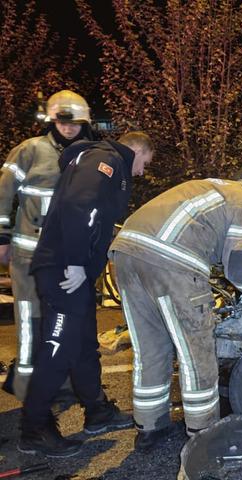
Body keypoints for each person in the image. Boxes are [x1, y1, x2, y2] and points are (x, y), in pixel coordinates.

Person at [108, 170, 242, 452]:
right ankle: (205, 435)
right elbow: (240, 268)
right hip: (170, 263)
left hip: (126, 254)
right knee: (197, 353)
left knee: (150, 349)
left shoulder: (213, 188)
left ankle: (150, 428)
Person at [19, 131, 154, 458]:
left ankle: (97, 411)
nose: (142, 172)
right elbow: (80, 206)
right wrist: (78, 262)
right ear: (136, 149)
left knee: (82, 345)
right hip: (66, 269)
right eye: (145, 163)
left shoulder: (95, 159)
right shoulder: (106, 160)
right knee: (58, 348)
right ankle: (33, 429)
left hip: (70, 270)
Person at [0, 90, 95, 401]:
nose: (68, 129)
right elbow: (3, 192)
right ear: (52, 121)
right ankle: (26, 388)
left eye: (75, 124)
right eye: (63, 123)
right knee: (30, 319)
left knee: (60, 321)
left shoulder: (85, 156)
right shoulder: (30, 151)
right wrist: (2, 237)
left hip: (64, 257)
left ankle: (59, 383)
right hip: (28, 255)